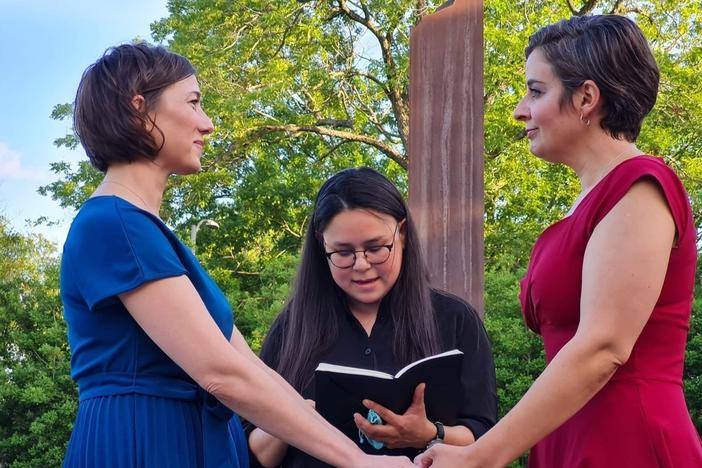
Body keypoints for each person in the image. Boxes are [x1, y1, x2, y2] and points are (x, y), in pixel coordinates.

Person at [60, 43, 415, 468]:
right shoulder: (115, 225)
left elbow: (250, 369)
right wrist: (359, 462)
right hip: (144, 442)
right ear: (140, 109)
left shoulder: (143, 233)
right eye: (193, 103)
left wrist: (357, 457)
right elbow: (222, 375)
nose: (207, 124)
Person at [416, 14, 702, 468]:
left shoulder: (641, 184)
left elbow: (603, 347)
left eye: (536, 90)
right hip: (568, 438)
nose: (520, 110)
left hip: (627, 443)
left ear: (587, 97)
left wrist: (480, 456)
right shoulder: (586, 206)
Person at [244, 167, 497, 467]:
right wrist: (295, 418)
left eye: (376, 248)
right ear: (321, 245)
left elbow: (484, 437)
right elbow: (253, 450)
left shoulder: (454, 319)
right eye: (343, 252)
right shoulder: (291, 329)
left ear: (401, 234)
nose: (361, 265)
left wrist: (428, 433)